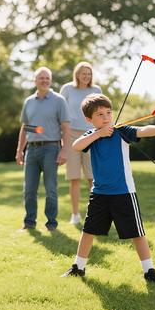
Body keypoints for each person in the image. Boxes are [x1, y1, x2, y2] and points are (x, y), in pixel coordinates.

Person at [61, 93, 155, 285]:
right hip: (99, 194)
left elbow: (144, 130)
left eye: (108, 112)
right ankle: (78, 267)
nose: (106, 117)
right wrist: (98, 133)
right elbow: (75, 146)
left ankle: (150, 271)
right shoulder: (92, 136)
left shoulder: (121, 131)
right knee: (88, 230)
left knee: (136, 233)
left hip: (123, 193)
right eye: (100, 115)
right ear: (89, 119)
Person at [16, 67, 71, 231]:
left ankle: (51, 223)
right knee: (29, 190)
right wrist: (20, 150)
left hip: (51, 149)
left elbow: (66, 128)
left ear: (51, 80)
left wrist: (64, 150)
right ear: (35, 81)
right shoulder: (29, 102)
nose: (45, 80)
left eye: (47, 78)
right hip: (31, 151)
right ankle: (29, 223)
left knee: (51, 190)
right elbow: (26, 127)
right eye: (41, 78)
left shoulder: (59, 100)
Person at [59, 62, 100, 224]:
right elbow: (61, 113)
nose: (86, 76)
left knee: (92, 177)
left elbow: (100, 113)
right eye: (83, 73)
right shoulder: (67, 89)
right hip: (71, 135)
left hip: (91, 135)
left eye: (89, 74)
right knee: (74, 177)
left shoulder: (96, 91)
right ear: (77, 74)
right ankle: (75, 214)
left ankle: (95, 213)